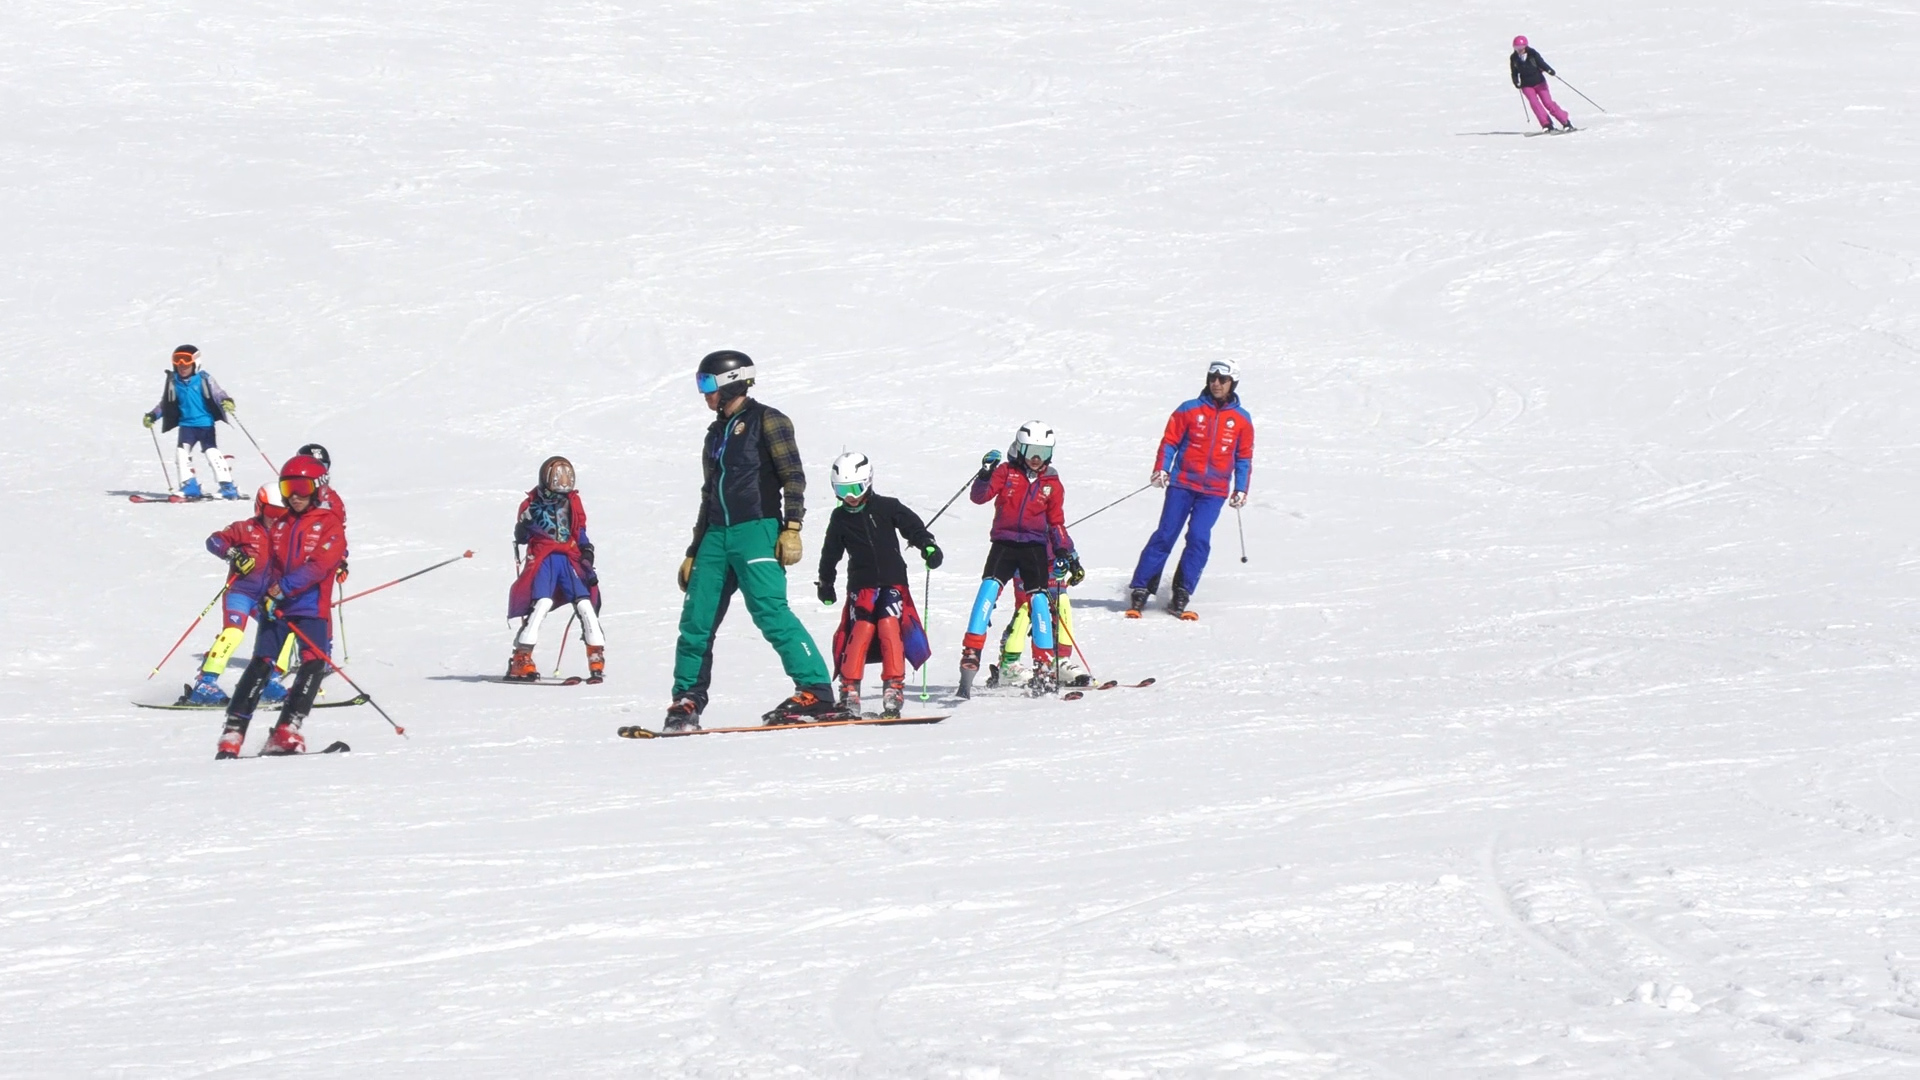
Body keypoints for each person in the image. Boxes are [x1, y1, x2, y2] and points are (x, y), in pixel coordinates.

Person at [665, 351, 834, 730]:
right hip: (715, 535)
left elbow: (793, 475)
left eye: (707, 384)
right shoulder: (715, 433)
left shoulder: (768, 420)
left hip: (757, 530)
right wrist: (694, 549)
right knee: (696, 619)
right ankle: (686, 699)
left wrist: (792, 527)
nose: (703, 393)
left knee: (770, 612)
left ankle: (816, 690)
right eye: (700, 384)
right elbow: (710, 494)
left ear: (732, 382)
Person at [215, 455, 347, 758]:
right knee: (262, 662)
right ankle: (232, 733)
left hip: (310, 607)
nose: (295, 496)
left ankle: (287, 729)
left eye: (301, 487)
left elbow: (321, 565)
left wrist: (282, 588)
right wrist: (266, 593)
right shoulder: (280, 524)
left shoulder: (329, 525)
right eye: (288, 488)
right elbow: (270, 565)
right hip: (276, 607)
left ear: (318, 488)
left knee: (314, 662)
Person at [815, 452, 942, 718]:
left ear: (868, 482)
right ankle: (849, 690)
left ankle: (893, 687)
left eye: (854, 488)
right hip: (861, 586)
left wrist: (928, 546)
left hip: (893, 581)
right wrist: (826, 582)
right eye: (842, 490)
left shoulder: (887, 507)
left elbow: (912, 527)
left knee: (888, 625)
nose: (850, 497)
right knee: (860, 629)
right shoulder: (839, 519)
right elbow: (830, 553)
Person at [1126, 359, 1254, 620]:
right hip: (1183, 484)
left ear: (1232, 383)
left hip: (1214, 491)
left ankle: (1182, 591)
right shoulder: (1188, 410)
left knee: (1198, 537)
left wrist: (1241, 488)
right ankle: (1142, 588)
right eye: (1212, 378)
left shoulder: (1241, 420)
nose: (1216, 383)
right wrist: (1162, 468)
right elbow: (1170, 441)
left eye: (1222, 379)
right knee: (1166, 534)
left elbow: (1243, 457)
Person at [959, 421, 1079, 698]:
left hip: (1034, 548)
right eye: (1030, 450)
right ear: (1019, 448)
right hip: (1004, 544)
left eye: (1042, 451)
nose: (1036, 458)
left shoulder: (1052, 483)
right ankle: (971, 652)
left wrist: (1064, 552)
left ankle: (1044, 665)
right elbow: (980, 497)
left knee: (1038, 600)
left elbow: (1056, 522)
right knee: (988, 590)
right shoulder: (1007, 472)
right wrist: (985, 473)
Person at [184, 484, 294, 706]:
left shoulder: (288, 536)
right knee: (234, 633)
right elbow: (214, 541)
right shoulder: (244, 529)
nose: (276, 519)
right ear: (260, 508)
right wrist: (234, 554)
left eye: (282, 514)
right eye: (272, 512)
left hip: (267, 597)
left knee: (286, 630)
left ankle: (268, 681)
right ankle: (205, 683)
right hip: (241, 592)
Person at [506, 456, 605, 682]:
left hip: (569, 558)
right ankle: (522, 657)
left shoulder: (572, 502)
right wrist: (522, 527)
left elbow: (578, 529)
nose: (562, 483)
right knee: (541, 603)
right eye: (557, 478)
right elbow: (522, 535)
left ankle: (596, 653)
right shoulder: (532, 504)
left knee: (584, 603)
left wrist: (586, 550)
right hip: (545, 558)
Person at [142, 345, 240, 500]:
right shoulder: (174, 382)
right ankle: (190, 485)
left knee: (211, 452)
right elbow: (165, 404)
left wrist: (226, 401)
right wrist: (153, 415)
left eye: (186, 362)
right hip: (186, 425)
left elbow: (218, 393)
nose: (182, 366)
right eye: (178, 362)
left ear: (195, 363)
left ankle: (228, 487)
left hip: (205, 423)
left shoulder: (203, 379)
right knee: (181, 453)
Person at [989, 558, 1091, 689]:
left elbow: (1060, 537)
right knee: (1027, 606)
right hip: (1026, 559)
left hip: (1053, 563)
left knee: (1061, 602)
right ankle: (1009, 665)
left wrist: (1073, 560)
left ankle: (1059, 661)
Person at [1511, 35, 1574, 133]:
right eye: (1516, 48)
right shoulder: (1514, 58)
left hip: (1539, 82)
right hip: (1526, 85)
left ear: (1525, 46)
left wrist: (1549, 70)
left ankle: (1565, 121)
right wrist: (1516, 81)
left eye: (1521, 48)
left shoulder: (1532, 54)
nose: (1519, 50)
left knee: (1548, 103)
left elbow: (1541, 63)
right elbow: (1514, 72)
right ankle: (1547, 124)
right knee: (1535, 104)